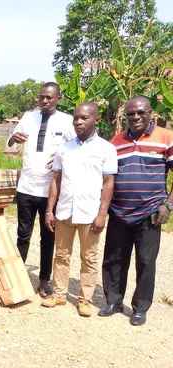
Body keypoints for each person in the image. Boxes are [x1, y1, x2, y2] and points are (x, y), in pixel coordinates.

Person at [99, 96, 173, 326]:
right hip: (119, 212)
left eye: (141, 112)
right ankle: (113, 300)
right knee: (114, 259)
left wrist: (168, 204)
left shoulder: (165, 137)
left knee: (146, 261)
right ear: (126, 116)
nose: (136, 117)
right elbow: (107, 175)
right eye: (131, 114)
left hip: (150, 212)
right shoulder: (117, 141)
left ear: (151, 113)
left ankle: (140, 307)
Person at [43, 103, 117, 316]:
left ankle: (85, 299)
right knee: (62, 255)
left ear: (96, 120)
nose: (78, 122)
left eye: (84, 118)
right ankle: (59, 294)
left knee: (89, 258)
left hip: (89, 212)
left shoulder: (106, 148)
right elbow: (55, 180)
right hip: (65, 210)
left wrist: (102, 213)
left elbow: (108, 182)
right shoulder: (65, 148)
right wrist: (50, 210)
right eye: (76, 118)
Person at [8, 82, 76, 298]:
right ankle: (18, 277)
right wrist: (14, 138)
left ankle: (44, 281)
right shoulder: (29, 117)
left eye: (49, 97)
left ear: (58, 98)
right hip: (27, 186)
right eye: (42, 97)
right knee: (23, 234)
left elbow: (76, 149)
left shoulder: (66, 121)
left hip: (51, 190)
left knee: (48, 237)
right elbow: (10, 143)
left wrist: (61, 158)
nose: (45, 101)